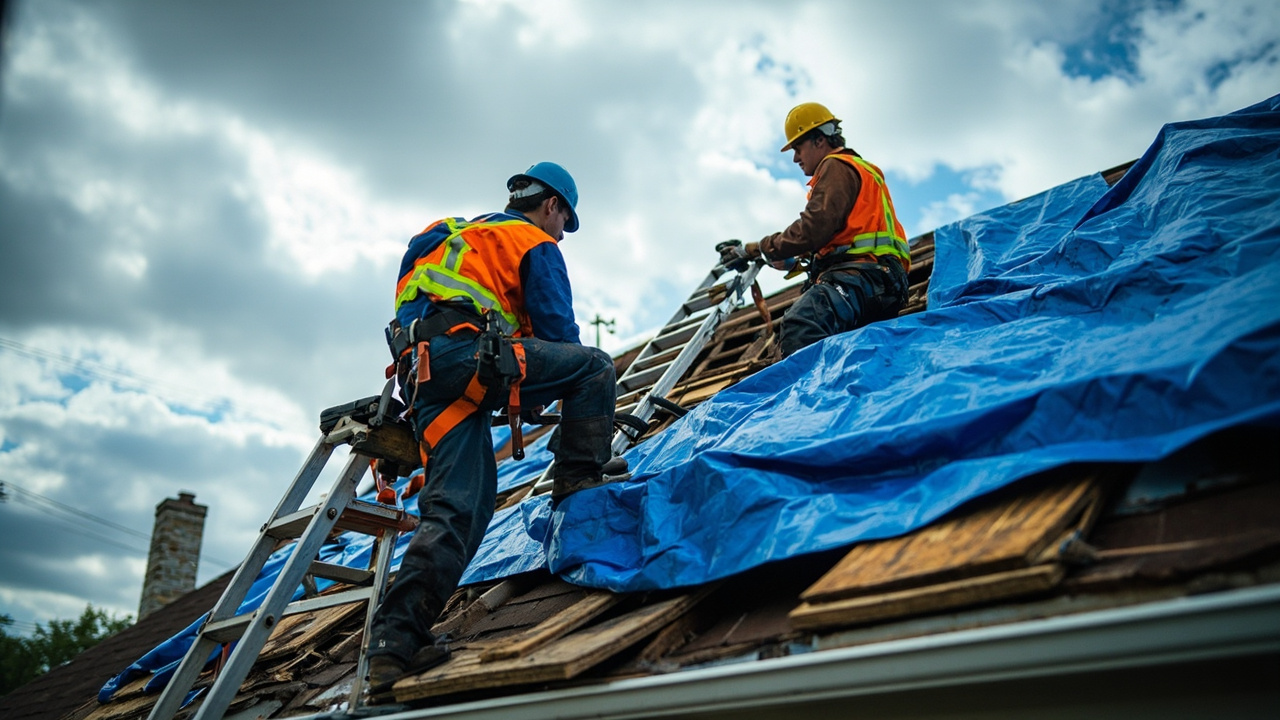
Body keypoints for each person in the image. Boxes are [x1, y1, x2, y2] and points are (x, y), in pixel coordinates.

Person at [365, 162, 626, 693]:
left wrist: (520, 384)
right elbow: (561, 338)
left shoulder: (447, 234)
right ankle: (577, 483)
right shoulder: (532, 241)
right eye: (564, 222)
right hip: (470, 361)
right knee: (594, 365)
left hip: (425, 378)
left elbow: (424, 306)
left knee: (460, 507)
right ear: (552, 205)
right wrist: (549, 384)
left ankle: (395, 645)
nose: (560, 234)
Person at [719, 102, 911, 358]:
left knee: (801, 326)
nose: (796, 158)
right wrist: (789, 258)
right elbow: (836, 236)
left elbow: (812, 230)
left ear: (819, 140)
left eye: (798, 148)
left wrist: (757, 247)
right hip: (880, 282)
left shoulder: (836, 166)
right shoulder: (860, 170)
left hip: (862, 279)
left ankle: (813, 397)